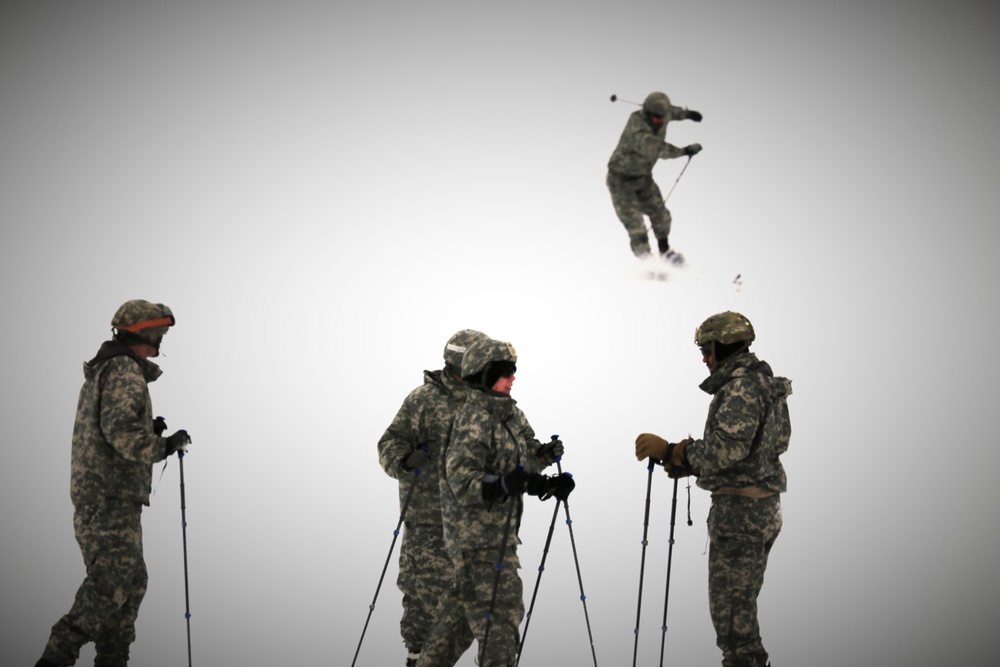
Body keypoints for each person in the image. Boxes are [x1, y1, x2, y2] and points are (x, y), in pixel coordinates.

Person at [35, 299, 192, 667]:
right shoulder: (122, 369)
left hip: (109, 496)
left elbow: (114, 428)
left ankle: (112, 658)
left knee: (131, 582)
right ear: (144, 333)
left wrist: (147, 430)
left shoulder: (111, 369)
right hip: (108, 497)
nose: (160, 345)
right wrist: (162, 445)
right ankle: (57, 657)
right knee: (112, 583)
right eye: (160, 335)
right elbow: (120, 432)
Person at [634, 311, 791, 667]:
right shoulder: (762, 383)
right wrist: (689, 462)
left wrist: (675, 451)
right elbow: (752, 451)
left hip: (741, 517)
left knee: (735, 628)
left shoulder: (741, 388)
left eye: (707, 349)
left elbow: (726, 450)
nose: (704, 358)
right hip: (757, 509)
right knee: (739, 617)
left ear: (724, 346)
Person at [416, 338, 574, 667]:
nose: (512, 377)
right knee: (500, 619)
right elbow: (462, 478)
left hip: (500, 536)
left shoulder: (510, 414)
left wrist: (544, 468)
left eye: (513, 371)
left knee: (460, 618)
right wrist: (501, 484)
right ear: (485, 375)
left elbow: (522, 464)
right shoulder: (472, 418)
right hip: (476, 541)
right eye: (505, 372)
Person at [376, 329, 490, 667]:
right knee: (426, 601)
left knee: (481, 605)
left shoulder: (488, 402)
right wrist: (405, 459)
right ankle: (418, 659)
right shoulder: (423, 400)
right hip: (430, 522)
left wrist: (538, 459)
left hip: (477, 523)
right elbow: (389, 443)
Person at [607, 90, 703, 263]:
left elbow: (673, 112)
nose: (660, 121)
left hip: (643, 178)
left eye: (662, 117)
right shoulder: (636, 126)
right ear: (647, 113)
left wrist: (688, 114)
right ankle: (647, 263)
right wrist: (684, 151)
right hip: (620, 181)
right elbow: (658, 149)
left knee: (661, 216)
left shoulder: (662, 115)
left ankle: (665, 253)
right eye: (656, 118)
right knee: (636, 226)